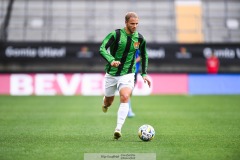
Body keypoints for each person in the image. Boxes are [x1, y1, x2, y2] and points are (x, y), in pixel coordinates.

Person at [99, 12, 151, 140]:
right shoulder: (116, 35)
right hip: (111, 73)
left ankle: (118, 129)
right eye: (132, 24)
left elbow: (144, 55)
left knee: (125, 96)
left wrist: (144, 73)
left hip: (128, 73)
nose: (135, 26)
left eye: (137, 24)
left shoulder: (139, 38)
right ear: (126, 23)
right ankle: (105, 104)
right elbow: (102, 48)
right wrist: (111, 60)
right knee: (109, 102)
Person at [127, 49, 141, 118]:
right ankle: (128, 110)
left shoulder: (136, 43)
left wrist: (133, 61)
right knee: (128, 91)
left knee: (130, 92)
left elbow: (141, 56)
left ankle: (126, 105)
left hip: (134, 71)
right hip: (128, 72)